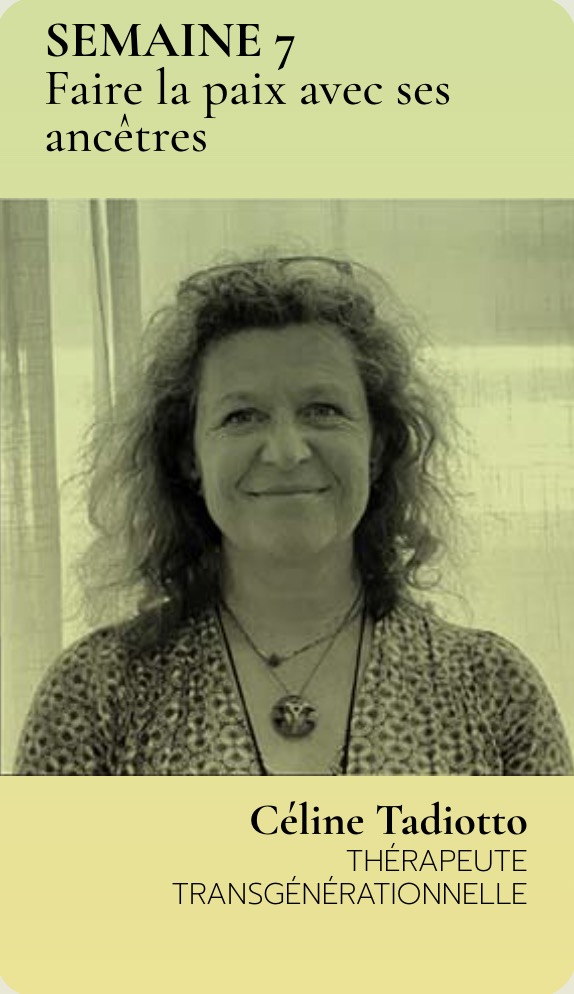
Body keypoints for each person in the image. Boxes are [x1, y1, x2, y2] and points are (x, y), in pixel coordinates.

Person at [14, 255, 573, 775]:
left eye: (322, 410)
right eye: (242, 416)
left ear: (377, 446)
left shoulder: (494, 689)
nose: (286, 452)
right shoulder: (94, 693)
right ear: (189, 457)